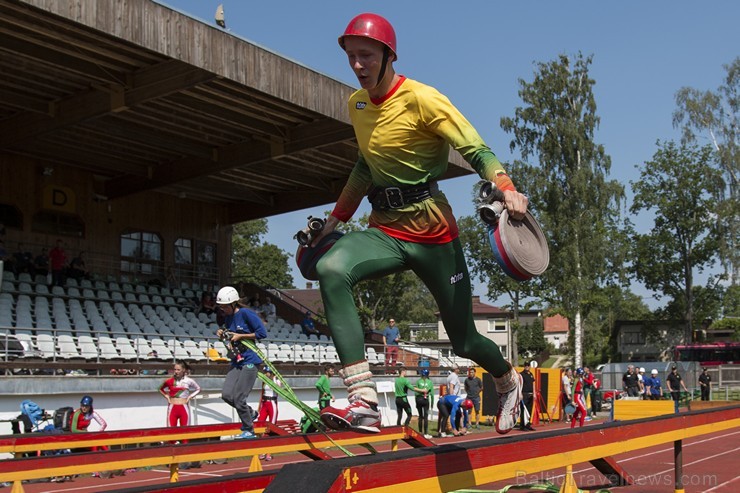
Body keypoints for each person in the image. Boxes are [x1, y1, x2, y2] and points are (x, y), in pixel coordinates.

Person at [311, 13, 528, 435]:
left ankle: (507, 379)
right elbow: (364, 167)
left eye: (366, 56)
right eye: (351, 56)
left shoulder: (424, 98)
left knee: (464, 341)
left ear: (388, 55)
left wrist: (506, 186)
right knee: (330, 268)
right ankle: (364, 398)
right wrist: (335, 221)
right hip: (386, 230)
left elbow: (476, 148)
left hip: (433, 233)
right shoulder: (357, 106)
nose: (357, 65)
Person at [215, 285, 268, 439]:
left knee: (239, 397)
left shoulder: (245, 313)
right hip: (237, 360)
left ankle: (248, 429)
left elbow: (262, 333)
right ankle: (251, 413)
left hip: (250, 360)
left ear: (233, 304)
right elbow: (230, 335)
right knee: (227, 395)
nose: (222, 309)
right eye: (221, 307)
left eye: (225, 306)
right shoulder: (228, 317)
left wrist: (241, 336)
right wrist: (222, 333)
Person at [158, 360, 201, 430]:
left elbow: (198, 389)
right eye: (175, 369)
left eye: (178, 370)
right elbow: (160, 389)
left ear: (183, 370)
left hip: (184, 407)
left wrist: (190, 397)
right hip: (172, 407)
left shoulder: (189, 380)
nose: (176, 371)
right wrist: (167, 396)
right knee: (171, 432)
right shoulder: (169, 380)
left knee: (185, 432)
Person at [257, 366, 281, 461]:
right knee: (259, 425)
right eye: (265, 372)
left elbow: (278, 390)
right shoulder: (264, 381)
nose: (266, 374)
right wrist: (259, 405)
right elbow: (262, 393)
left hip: (272, 403)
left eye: (267, 372)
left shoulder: (276, 381)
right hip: (265, 403)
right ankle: (261, 451)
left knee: (271, 428)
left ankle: (268, 453)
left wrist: (274, 379)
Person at [414, 368, 434, 439]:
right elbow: (432, 394)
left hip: (418, 399)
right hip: (426, 400)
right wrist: (432, 404)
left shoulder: (418, 381)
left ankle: (420, 432)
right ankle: (425, 433)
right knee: (425, 417)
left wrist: (416, 402)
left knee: (420, 416)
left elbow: (415, 393)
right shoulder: (430, 382)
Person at [519, 362, 536, 431]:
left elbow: (533, 384)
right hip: (524, 394)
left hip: (530, 394)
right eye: (525, 366)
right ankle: (522, 426)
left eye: (528, 366)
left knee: (529, 410)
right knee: (523, 410)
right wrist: (520, 393)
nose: (527, 367)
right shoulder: (521, 375)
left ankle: (528, 424)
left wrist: (534, 393)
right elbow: (519, 384)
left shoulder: (531, 374)